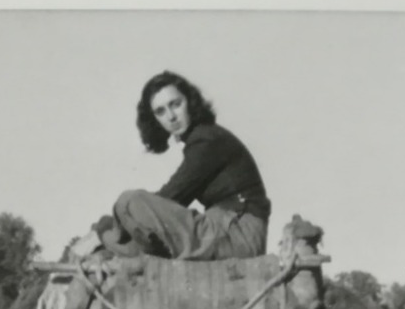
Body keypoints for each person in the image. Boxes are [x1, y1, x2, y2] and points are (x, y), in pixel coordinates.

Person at [73, 71, 272, 262]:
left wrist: (107, 226)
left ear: (190, 102)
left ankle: (103, 234)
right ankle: (105, 239)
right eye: (160, 111)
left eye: (175, 104)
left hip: (238, 233)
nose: (171, 116)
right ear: (154, 119)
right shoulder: (202, 139)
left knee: (129, 202)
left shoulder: (207, 139)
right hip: (230, 230)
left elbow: (172, 197)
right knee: (135, 242)